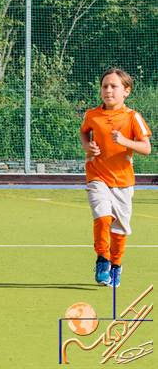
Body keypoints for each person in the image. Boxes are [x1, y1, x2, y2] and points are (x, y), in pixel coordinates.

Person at [79, 68, 151, 288]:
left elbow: (146, 148)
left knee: (119, 229)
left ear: (126, 91)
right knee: (102, 216)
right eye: (105, 86)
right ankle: (103, 258)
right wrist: (87, 147)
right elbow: (84, 132)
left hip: (123, 182)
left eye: (114, 86)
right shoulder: (92, 115)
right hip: (97, 176)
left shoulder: (132, 117)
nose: (108, 90)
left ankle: (116, 263)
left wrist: (124, 141)